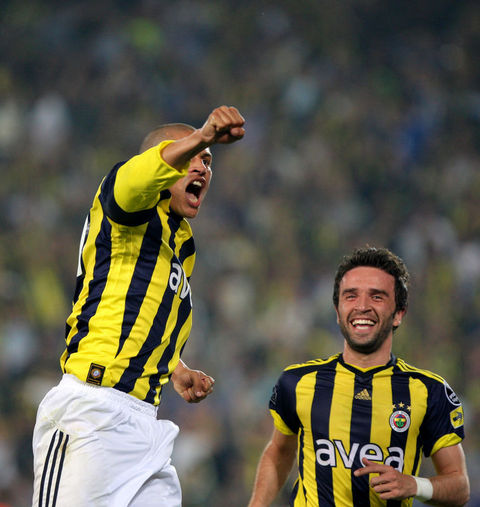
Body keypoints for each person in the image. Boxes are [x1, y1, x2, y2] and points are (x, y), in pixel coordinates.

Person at [32, 105, 245, 506]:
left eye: (208, 161)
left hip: (146, 423)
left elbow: (132, 308)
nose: (203, 167)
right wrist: (202, 135)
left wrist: (175, 368)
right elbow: (139, 176)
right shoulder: (126, 198)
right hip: (91, 411)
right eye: (193, 156)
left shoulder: (181, 243)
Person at [248, 246, 470, 506]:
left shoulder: (429, 391)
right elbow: (279, 452)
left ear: (398, 313)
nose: (362, 306)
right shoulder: (298, 382)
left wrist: (414, 484)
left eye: (377, 297)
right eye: (351, 296)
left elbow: (460, 487)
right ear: (337, 310)